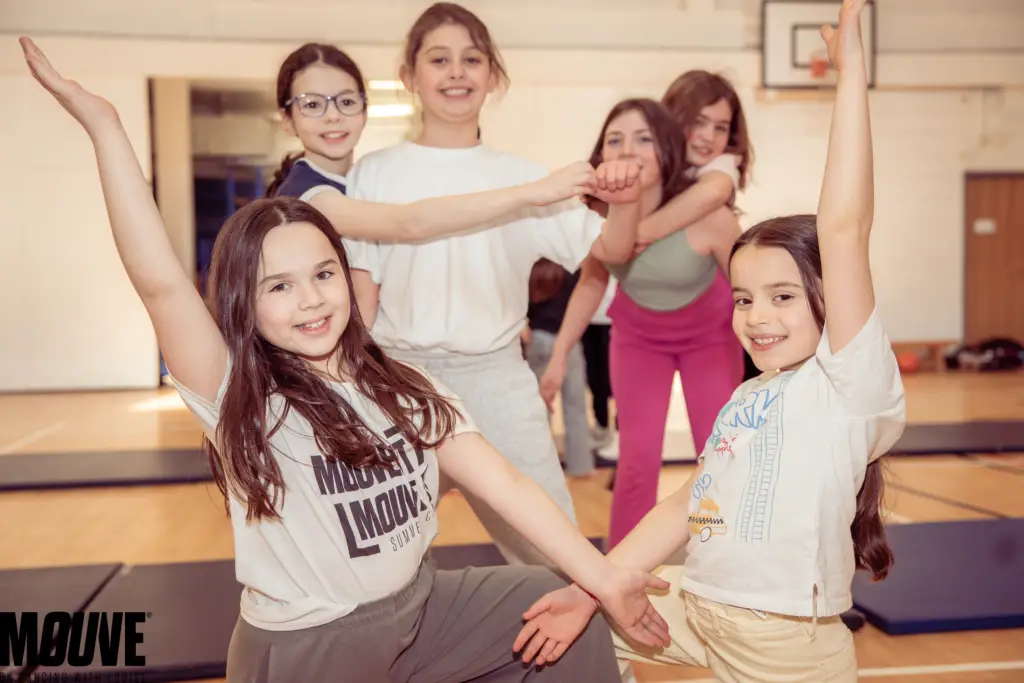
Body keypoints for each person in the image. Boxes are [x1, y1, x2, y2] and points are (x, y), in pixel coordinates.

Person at [19, 35, 675, 683]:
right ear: (246, 301)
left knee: (561, 606)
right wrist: (105, 127)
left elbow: (507, 484)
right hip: (311, 644)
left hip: (422, 613)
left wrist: (605, 582)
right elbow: (158, 281)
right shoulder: (242, 393)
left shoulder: (402, 382)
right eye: (279, 286)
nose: (309, 300)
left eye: (324, 274)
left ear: (350, 274)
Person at [513, 3, 906, 681]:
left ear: (826, 300)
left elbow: (843, 225)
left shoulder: (849, 386)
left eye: (783, 297)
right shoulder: (750, 395)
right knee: (540, 626)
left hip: (784, 642)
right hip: (693, 611)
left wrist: (851, 73)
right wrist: (592, 589)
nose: (757, 316)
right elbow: (687, 502)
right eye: (746, 298)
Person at [343, 2, 643, 566]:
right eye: (439, 59)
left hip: (498, 379)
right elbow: (363, 292)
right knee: (381, 561)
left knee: (555, 555)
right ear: (409, 76)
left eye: (471, 59)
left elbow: (613, 251)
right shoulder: (377, 172)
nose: (456, 72)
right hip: (400, 380)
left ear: (492, 76)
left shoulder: (526, 176)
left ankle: (604, 657)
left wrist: (624, 205)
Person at [262, 41, 603, 321]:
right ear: (287, 120)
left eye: (346, 101)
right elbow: (408, 223)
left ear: (365, 109)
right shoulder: (306, 193)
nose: (332, 115)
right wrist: (532, 192)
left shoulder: (361, 179)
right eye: (312, 105)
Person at [538, 98, 744, 549]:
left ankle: (729, 551)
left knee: (719, 453)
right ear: (601, 157)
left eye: (643, 138)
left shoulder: (709, 217)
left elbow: (748, 289)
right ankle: (623, 564)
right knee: (637, 458)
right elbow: (590, 285)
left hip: (709, 339)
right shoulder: (597, 219)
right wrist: (556, 361)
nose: (627, 148)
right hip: (638, 339)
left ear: (667, 151)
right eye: (615, 139)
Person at [525, 259, 594, 478]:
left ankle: (540, 470)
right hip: (568, 343)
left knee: (538, 409)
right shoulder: (573, 267)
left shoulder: (531, 267)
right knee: (576, 407)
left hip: (537, 339)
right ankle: (581, 466)